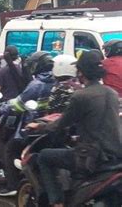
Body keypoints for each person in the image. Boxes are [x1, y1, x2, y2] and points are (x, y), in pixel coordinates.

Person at [26, 50, 122, 207]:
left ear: (81, 72)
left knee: (43, 157)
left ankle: (57, 202)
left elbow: (61, 124)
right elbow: (100, 122)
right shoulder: (112, 94)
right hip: (116, 155)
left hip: (90, 156)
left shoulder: (80, 96)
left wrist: (39, 126)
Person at [0, 51, 55, 197]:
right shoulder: (58, 81)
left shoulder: (37, 84)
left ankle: (12, 186)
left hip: (33, 127)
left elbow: (18, 105)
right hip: (54, 127)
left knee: (10, 149)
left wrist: (3, 106)